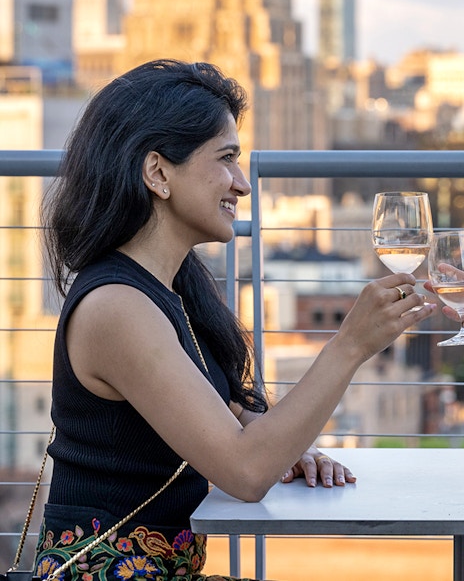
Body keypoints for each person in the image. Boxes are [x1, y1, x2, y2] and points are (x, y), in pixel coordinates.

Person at [33, 59, 436, 581]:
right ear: (157, 172)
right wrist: (350, 345)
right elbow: (245, 473)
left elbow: (219, 413)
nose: (242, 184)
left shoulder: (171, 288)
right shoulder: (117, 307)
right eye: (226, 159)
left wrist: (285, 446)